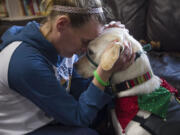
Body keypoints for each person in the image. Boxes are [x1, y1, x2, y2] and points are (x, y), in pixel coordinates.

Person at [0, 0, 134, 135]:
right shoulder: (26, 64)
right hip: (24, 129)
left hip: (50, 116)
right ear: (61, 24)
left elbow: (82, 88)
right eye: (86, 41)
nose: (86, 49)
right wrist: (104, 72)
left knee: (105, 106)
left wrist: (108, 39)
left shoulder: (61, 44)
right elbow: (79, 117)